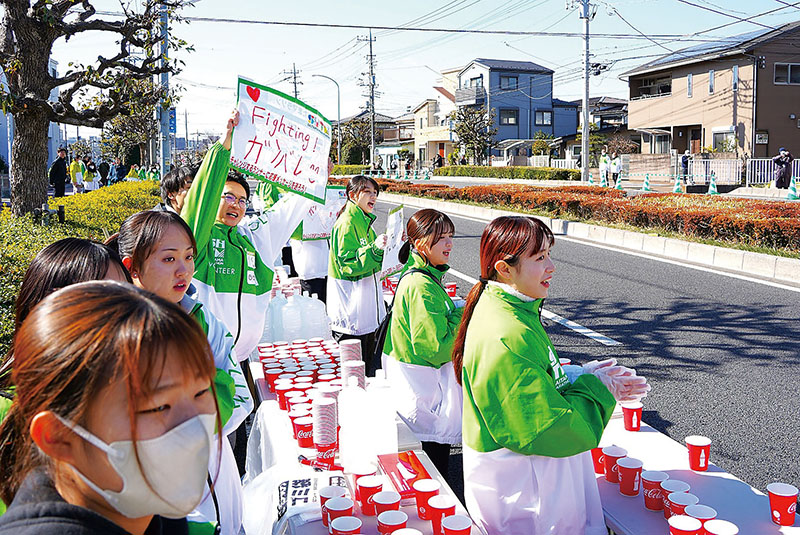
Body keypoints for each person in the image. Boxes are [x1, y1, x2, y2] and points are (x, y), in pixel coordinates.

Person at [452, 216, 650, 535]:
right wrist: (596, 389)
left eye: (549, 254)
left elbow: (537, 379)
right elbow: (548, 429)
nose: (551, 266)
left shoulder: (512, 311)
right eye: (540, 257)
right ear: (504, 268)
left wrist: (577, 374)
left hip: (528, 482)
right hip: (527, 494)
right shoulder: (506, 334)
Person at [0, 281, 221, 535]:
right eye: (158, 407)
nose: (193, 428)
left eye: (201, 391)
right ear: (57, 436)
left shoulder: (155, 514)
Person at [116, 210, 251, 535]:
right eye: (168, 259)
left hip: (222, 488)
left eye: (189, 257)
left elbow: (240, 398)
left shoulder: (206, 322)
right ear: (131, 266)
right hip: (170, 510)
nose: (183, 270)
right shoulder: (120, 336)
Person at [383, 209, 463, 483]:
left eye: (451, 236)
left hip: (420, 387)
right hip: (422, 389)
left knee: (427, 462)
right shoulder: (421, 285)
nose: (449, 244)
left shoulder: (422, 275)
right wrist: (461, 318)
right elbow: (435, 348)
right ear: (420, 244)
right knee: (431, 468)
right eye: (441, 238)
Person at [328, 175, 388, 376]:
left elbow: (375, 260)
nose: (374, 196)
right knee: (354, 376)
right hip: (350, 315)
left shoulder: (363, 222)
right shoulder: (347, 223)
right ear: (352, 195)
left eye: (375, 192)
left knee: (367, 371)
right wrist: (375, 250)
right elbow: (348, 264)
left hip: (364, 314)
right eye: (368, 192)